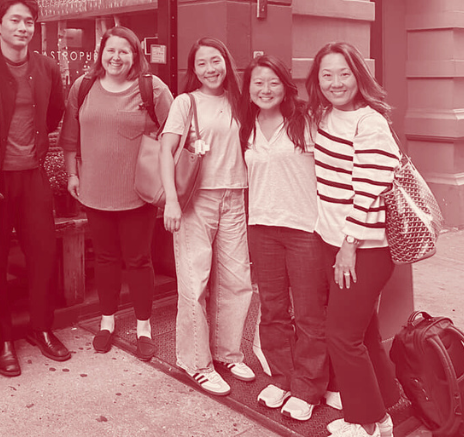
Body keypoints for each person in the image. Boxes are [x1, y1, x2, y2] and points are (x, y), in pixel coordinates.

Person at [59, 26, 173, 361]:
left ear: (136, 56)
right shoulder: (83, 87)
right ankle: (107, 321)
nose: (116, 57)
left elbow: (175, 133)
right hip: (94, 189)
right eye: (111, 50)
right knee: (106, 259)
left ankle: (143, 326)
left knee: (138, 260)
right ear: (101, 53)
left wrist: (168, 177)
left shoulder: (151, 88)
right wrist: (71, 174)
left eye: (125, 51)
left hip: (138, 190)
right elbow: (70, 135)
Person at [306, 42, 401, 437]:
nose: (335, 82)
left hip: (364, 247)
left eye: (344, 73)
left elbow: (370, 189)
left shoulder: (370, 122)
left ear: (358, 75)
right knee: (361, 331)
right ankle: (387, 400)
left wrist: (348, 245)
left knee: (341, 336)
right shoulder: (323, 116)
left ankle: (369, 423)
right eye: (327, 74)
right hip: (331, 238)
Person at [0, 0, 68, 376]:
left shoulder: (46, 68)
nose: (23, 28)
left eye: (29, 21)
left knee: (43, 253)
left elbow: (55, 112)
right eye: (14, 20)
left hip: (33, 175)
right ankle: (2, 338)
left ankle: (41, 328)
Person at [159, 37, 254, 397]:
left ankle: (228, 353)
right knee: (194, 283)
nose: (210, 69)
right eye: (202, 64)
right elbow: (166, 152)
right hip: (196, 201)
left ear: (227, 62)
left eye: (215, 61)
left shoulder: (240, 102)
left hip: (236, 197)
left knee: (236, 281)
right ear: (193, 69)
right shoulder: (186, 102)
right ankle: (197, 363)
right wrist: (171, 200)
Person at [241, 54, 328, 420]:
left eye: (273, 82)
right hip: (262, 227)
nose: (265, 89)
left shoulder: (305, 121)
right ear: (248, 88)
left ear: (285, 85)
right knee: (273, 310)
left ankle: (308, 388)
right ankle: (282, 377)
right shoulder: (246, 125)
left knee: (309, 313)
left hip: (305, 229)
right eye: (258, 83)